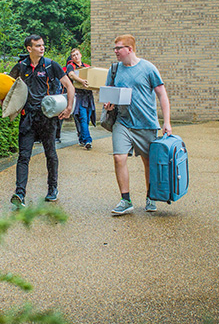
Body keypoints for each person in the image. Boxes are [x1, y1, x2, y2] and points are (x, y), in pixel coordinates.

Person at [102, 34, 172, 216]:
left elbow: (162, 95)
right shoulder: (115, 69)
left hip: (146, 124)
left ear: (130, 49)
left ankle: (150, 196)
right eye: (115, 48)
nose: (115, 51)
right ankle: (125, 200)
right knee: (119, 158)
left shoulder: (148, 68)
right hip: (123, 122)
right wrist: (108, 104)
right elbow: (109, 94)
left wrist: (167, 122)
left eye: (119, 48)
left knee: (148, 162)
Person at [8, 34, 75, 207]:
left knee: (50, 154)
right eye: (37, 46)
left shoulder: (51, 65)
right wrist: (7, 106)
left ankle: (53, 189)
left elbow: (70, 86)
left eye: (43, 45)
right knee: (23, 156)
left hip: (47, 118)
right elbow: (7, 88)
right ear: (29, 49)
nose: (42, 48)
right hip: (27, 118)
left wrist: (68, 108)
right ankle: (19, 194)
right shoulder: (20, 67)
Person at [66, 48, 96, 150]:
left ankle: (82, 138)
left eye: (77, 54)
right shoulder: (71, 66)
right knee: (82, 117)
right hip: (78, 96)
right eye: (73, 55)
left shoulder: (87, 67)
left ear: (81, 55)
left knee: (87, 119)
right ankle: (88, 140)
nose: (75, 56)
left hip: (88, 96)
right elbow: (71, 75)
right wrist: (81, 81)